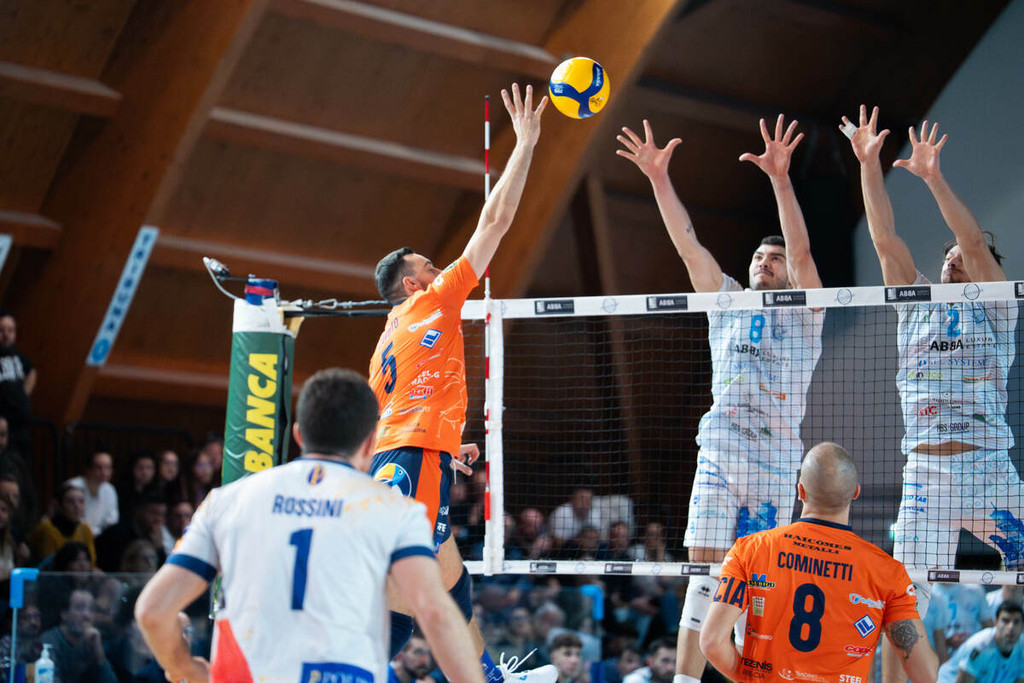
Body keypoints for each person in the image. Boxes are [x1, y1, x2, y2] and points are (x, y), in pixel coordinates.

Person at [617, 115, 825, 683]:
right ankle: (686, 681)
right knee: (703, 575)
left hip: (775, 462)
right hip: (720, 453)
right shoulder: (727, 300)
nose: (764, 263)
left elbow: (803, 253)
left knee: (758, 585)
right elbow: (688, 246)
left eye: (773, 260)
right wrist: (659, 178)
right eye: (759, 257)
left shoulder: (807, 313)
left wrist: (779, 179)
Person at [367, 83, 554, 683]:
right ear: (413, 283)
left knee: (447, 585)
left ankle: (487, 677)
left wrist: (446, 444)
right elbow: (495, 220)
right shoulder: (433, 302)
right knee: (408, 604)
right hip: (414, 460)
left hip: (408, 457)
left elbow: (391, 417)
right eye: (428, 265)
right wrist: (526, 143)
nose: (438, 267)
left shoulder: (387, 338)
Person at [134, 368, 485, 683]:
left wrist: (182, 667)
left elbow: (152, 611)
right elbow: (436, 614)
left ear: (300, 435)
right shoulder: (396, 511)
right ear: (370, 443)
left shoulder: (227, 501)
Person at [843, 107, 1020, 679]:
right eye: (948, 254)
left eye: (966, 257)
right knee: (901, 607)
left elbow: (972, 240)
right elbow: (883, 239)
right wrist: (869, 164)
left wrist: (933, 177)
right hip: (926, 479)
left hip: (989, 471)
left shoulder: (997, 307)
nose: (954, 256)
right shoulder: (914, 302)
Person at [698, 442, 937, 682]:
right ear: (855, 492)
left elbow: (711, 642)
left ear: (800, 491)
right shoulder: (888, 572)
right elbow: (925, 673)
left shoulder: (751, 549)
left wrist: (749, 678)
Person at [39, 586, 118, 683]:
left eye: (91, 609)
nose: (87, 615)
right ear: (64, 614)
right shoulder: (49, 641)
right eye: (80, 608)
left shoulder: (94, 639)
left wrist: (99, 656)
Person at [936, 601, 1024, 683]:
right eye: (1005, 621)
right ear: (996, 623)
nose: (1011, 627)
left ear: (1022, 626)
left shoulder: (1022, 647)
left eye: (1016, 622)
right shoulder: (980, 646)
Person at [28, 481, 95, 565]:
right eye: (70, 501)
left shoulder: (85, 529)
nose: (77, 506)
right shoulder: (47, 528)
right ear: (58, 505)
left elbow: (91, 562)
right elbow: (50, 565)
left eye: (81, 501)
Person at [0, 310, 36, 458]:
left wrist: (24, 395)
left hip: (21, 424)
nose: (6, 335)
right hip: (3, 427)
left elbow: (31, 371)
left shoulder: (17, 355)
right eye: (2, 330)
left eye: (10, 330)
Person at [68, 450, 119, 535]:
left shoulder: (110, 489)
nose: (103, 472)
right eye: (98, 467)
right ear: (88, 469)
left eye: (107, 467)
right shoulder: (72, 487)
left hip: (100, 538)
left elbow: (111, 521)